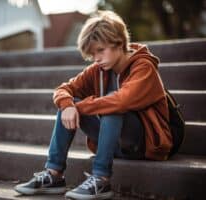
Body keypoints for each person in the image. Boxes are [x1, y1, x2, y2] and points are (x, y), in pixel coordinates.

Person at [14, 10, 173, 200]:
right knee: (68, 103)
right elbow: (63, 89)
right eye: (92, 53)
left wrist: (76, 108)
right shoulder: (98, 69)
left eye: (100, 50)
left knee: (111, 106)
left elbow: (121, 101)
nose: (96, 58)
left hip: (144, 144)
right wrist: (67, 105)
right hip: (114, 142)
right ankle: (54, 174)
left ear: (119, 43)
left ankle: (101, 179)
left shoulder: (144, 67)